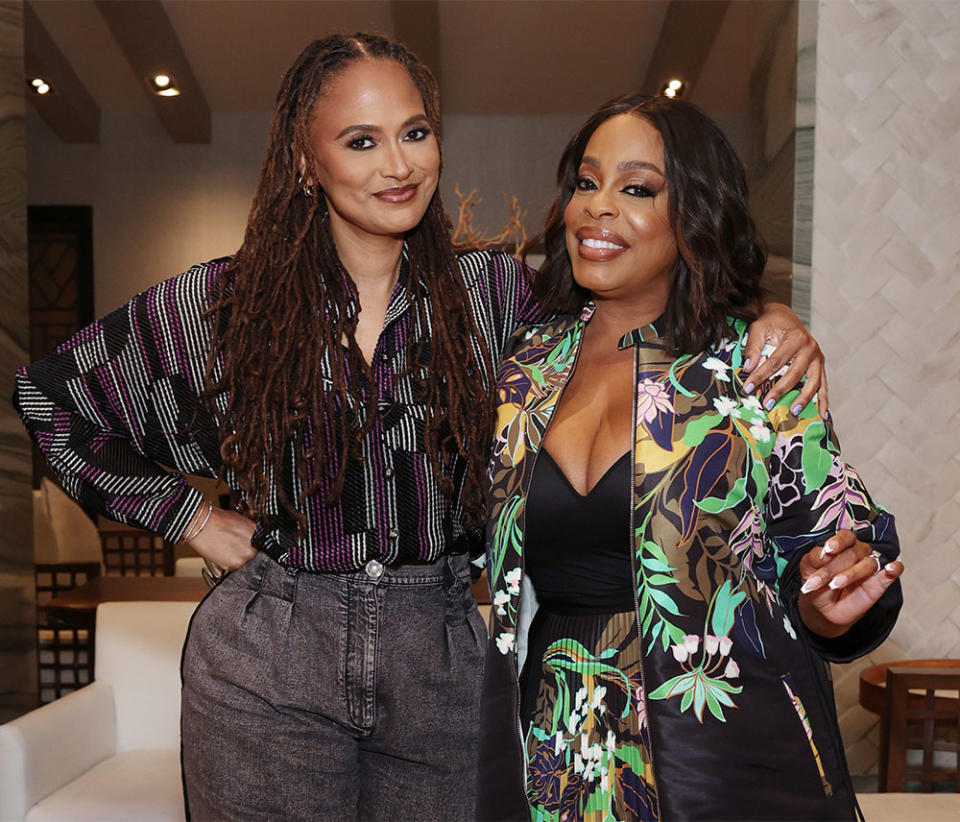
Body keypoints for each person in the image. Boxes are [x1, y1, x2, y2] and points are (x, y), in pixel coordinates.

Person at [15, 35, 824, 822]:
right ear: (306, 159)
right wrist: (187, 515)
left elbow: (640, 282)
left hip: (441, 656)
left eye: (415, 132)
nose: (398, 165)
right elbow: (49, 397)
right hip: (266, 661)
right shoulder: (224, 306)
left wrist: (765, 313)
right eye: (361, 141)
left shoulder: (498, 296)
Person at [479, 93, 903, 822]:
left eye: (637, 188)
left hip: (725, 760)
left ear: (694, 217)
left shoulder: (755, 368)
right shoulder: (524, 369)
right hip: (555, 756)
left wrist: (835, 610)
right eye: (587, 182)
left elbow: (843, 543)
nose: (598, 207)